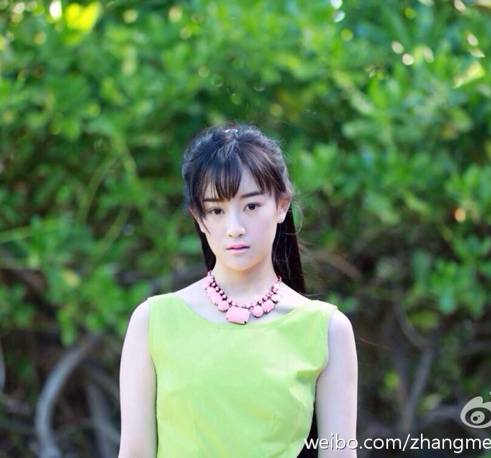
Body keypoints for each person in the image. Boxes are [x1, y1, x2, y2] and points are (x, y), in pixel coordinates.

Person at [118, 123, 358, 457]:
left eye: (251, 206)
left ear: (281, 205)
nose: (234, 228)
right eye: (216, 210)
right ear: (199, 218)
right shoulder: (153, 322)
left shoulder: (327, 330)